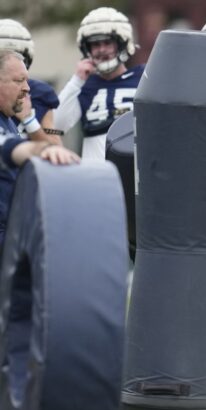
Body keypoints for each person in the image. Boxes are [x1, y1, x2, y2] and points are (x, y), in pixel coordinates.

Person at [0, 50, 80, 244]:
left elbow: (55, 138)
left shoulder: (12, 114)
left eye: (26, 80)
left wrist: (29, 120)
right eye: (19, 81)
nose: (27, 88)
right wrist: (41, 150)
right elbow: (10, 148)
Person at [53, 7, 143, 160]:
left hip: (137, 175)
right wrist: (77, 80)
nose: (101, 50)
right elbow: (56, 126)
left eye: (107, 43)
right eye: (95, 44)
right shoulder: (84, 85)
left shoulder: (143, 77)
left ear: (122, 43)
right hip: (96, 177)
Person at [0, 19, 62, 145]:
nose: (11, 59)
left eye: (16, 55)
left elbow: (56, 147)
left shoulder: (41, 93)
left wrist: (29, 121)